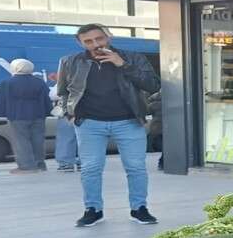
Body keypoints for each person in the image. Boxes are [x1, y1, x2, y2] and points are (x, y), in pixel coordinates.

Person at [56, 23, 161, 227]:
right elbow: (63, 92)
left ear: (108, 37)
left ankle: (139, 208)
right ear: (80, 43)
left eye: (99, 39)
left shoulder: (133, 58)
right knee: (90, 168)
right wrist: (70, 114)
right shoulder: (70, 62)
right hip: (89, 123)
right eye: (88, 41)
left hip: (129, 121)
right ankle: (93, 210)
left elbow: (152, 84)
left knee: (136, 167)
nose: (95, 44)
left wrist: (122, 64)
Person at [0, 59, 51, 175]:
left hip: (18, 115)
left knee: (21, 141)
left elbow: (0, 100)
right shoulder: (39, 82)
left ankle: (26, 166)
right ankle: (40, 164)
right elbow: (46, 99)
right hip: (38, 114)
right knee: (38, 140)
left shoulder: (8, 82)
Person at [50, 83, 79, 172]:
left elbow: (53, 95)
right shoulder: (88, 77)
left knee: (65, 138)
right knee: (84, 139)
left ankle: (66, 163)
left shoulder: (65, 79)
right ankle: (83, 162)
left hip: (66, 112)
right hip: (86, 112)